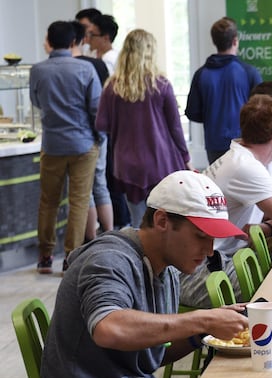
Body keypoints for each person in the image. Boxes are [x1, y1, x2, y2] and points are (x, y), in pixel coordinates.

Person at [40, 170, 249, 378]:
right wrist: (202, 319)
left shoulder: (167, 270)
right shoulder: (108, 259)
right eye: (200, 236)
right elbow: (109, 328)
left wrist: (199, 335)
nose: (210, 250)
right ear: (162, 220)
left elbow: (153, 355)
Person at [180, 95, 272, 308]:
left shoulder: (264, 160)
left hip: (224, 260)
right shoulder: (245, 166)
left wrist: (268, 226)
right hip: (200, 271)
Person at [96, 29, 192, 227]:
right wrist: (186, 158)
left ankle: (141, 258)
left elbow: (101, 124)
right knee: (166, 221)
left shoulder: (112, 86)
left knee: (139, 224)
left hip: (127, 165)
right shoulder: (161, 84)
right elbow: (175, 127)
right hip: (159, 161)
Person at [30, 21, 101, 274]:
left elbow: (36, 101)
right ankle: (71, 257)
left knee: (48, 201)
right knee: (79, 201)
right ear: (73, 43)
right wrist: (98, 138)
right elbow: (96, 109)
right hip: (82, 144)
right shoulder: (85, 69)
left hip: (52, 143)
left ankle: (45, 255)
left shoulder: (37, 70)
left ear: (49, 40)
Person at [186, 17, 262, 165]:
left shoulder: (201, 74)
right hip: (244, 143)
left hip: (214, 143)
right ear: (235, 41)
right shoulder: (249, 72)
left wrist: (213, 114)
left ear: (214, 42)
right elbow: (262, 112)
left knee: (218, 186)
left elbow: (192, 112)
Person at [69, 21, 113, 242]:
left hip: (80, 135)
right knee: (100, 183)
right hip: (99, 132)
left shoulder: (71, 67)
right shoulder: (98, 64)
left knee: (84, 191)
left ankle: (93, 238)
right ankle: (110, 233)